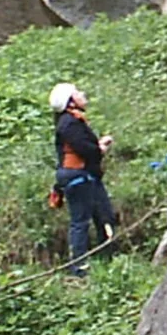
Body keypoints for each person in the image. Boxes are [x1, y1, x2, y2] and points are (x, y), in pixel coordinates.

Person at [50, 82, 117, 277]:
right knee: (80, 221)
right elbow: (84, 149)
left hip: (84, 175)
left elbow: (83, 146)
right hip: (78, 176)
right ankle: (79, 266)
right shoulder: (69, 123)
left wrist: (97, 145)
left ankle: (106, 260)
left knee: (104, 216)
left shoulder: (74, 121)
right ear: (70, 101)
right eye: (77, 92)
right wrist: (100, 149)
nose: (82, 94)